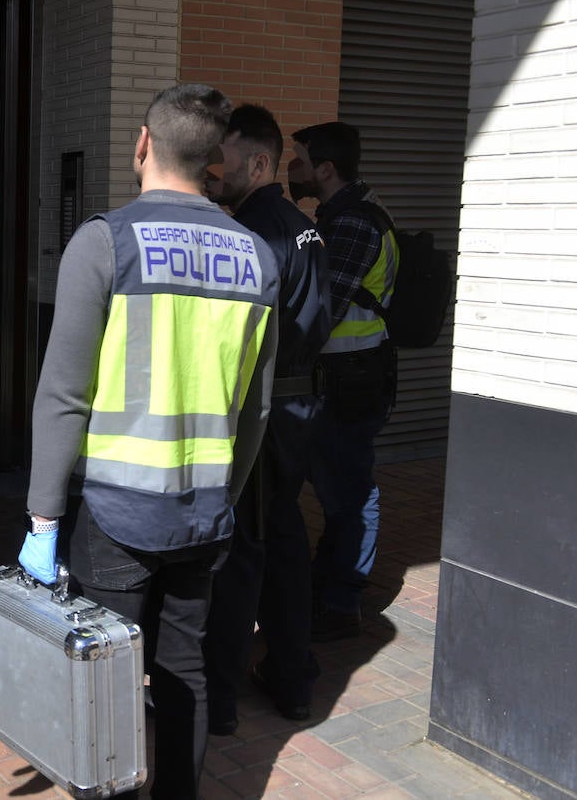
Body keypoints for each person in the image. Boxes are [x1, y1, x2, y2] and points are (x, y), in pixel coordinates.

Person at [18, 83, 280, 799]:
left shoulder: (106, 242)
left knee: (104, 679)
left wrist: (43, 518)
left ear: (142, 145)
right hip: (204, 513)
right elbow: (256, 407)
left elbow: (64, 394)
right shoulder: (256, 258)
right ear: (214, 160)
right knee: (183, 668)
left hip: (115, 514)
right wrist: (225, 495)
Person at [201, 105, 332, 733]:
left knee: (240, 550)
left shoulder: (249, 236)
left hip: (262, 411)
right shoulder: (303, 229)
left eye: (222, 155)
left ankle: (219, 700)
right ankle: (291, 677)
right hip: (300, 408)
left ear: (258, 162)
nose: (211, 167)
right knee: (283, 538)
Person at [288, 121, 398, 642]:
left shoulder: (353, 223)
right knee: (338, 485)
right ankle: (330, 583)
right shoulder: (344, 214)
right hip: (348, 372)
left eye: (301, 161)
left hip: (350, 377)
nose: (294, 170)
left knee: (351, 492)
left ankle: (342, 601)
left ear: (326, 169)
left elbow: (321, 310)